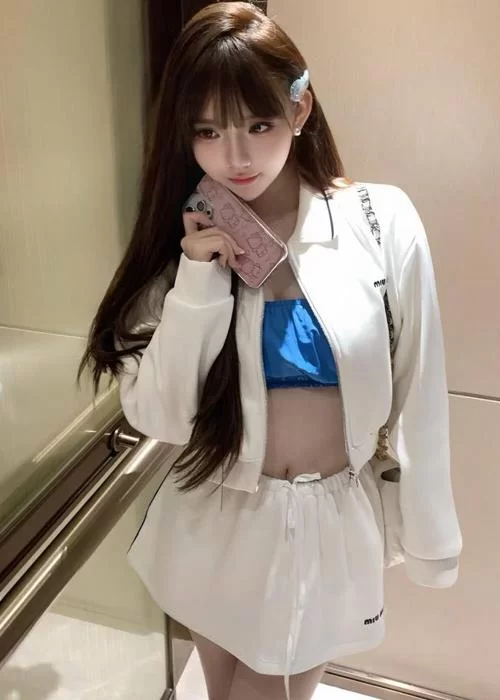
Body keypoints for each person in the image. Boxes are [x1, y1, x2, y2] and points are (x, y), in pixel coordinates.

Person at [79, 3, 462, 699]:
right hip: (213, 519)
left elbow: (420, 386)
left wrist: (432, 538)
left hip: (322, 529)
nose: (236, 157)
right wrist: (199, 280)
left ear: (300, 108)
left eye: (258, 124)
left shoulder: (379, 220)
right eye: (208, 131)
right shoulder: (184, 238)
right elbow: (161, 416)